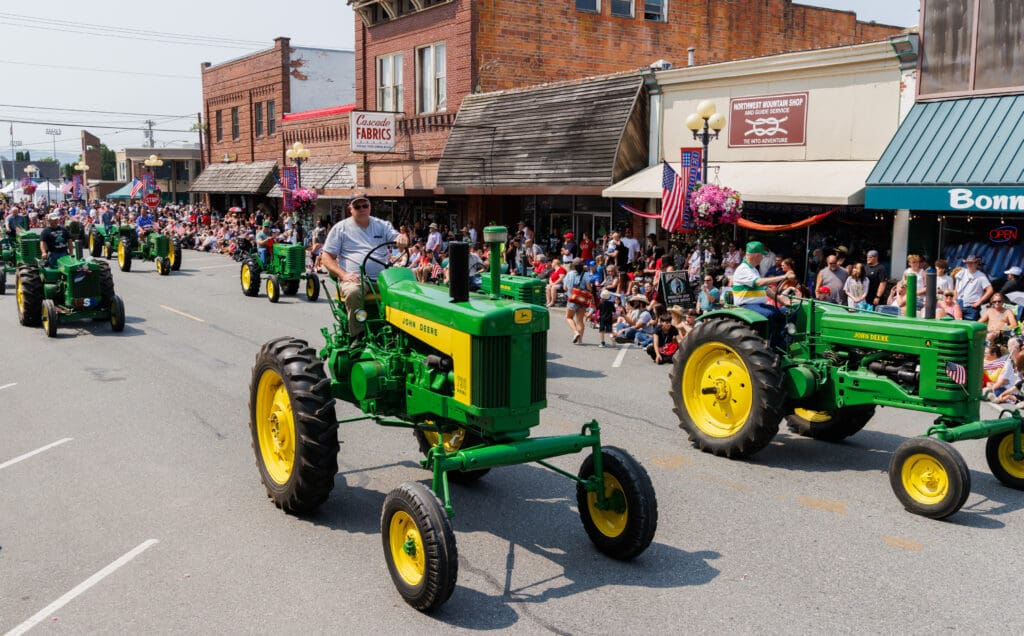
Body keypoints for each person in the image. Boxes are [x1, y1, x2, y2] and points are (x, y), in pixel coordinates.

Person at [321, 195, 407, 340]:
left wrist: (402, 238)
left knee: (407, 291)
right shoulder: (340, 228)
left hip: (383, 278)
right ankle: (358, 334)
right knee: (354, 292)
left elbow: (396, 237)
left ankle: (400, 333)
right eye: (357, 207)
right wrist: (343, 275)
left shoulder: (382, 225)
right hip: (357, 278)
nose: (362, 209)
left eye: (364, 206)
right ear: (351, 209)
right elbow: (326, 256)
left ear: (370, 207)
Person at [732, 241, 795, 343]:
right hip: (746, 305)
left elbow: (765, 289)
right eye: (762, 255)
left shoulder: (753, 270)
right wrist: (785, 276)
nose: (762, 258)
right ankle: (770, 347)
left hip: (759, 304)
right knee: (770, 314)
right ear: (756, 255)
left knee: (789, 313)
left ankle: (785, 345)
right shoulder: (743, 269)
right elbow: (760, 283)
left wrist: (782, 300)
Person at [954, 255, 993, 320]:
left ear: (976, 263)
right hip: (959, 304)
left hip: (972, 307)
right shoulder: (961, 273)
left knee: (970, 327)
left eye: (971, 263)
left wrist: (979, 302)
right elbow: (956, 288)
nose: (969, 264)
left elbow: (990, 290)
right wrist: (955, 300)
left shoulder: (981, 276)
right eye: (968, 263)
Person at [563, 258, 588, 344]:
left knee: (568, 317)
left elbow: (565, 288)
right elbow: (589, 288)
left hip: (572, 299)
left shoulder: (569, 274)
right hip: (582, 299)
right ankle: (580, 340)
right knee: (580, 320)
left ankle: (575, 332)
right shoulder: (586, 274)